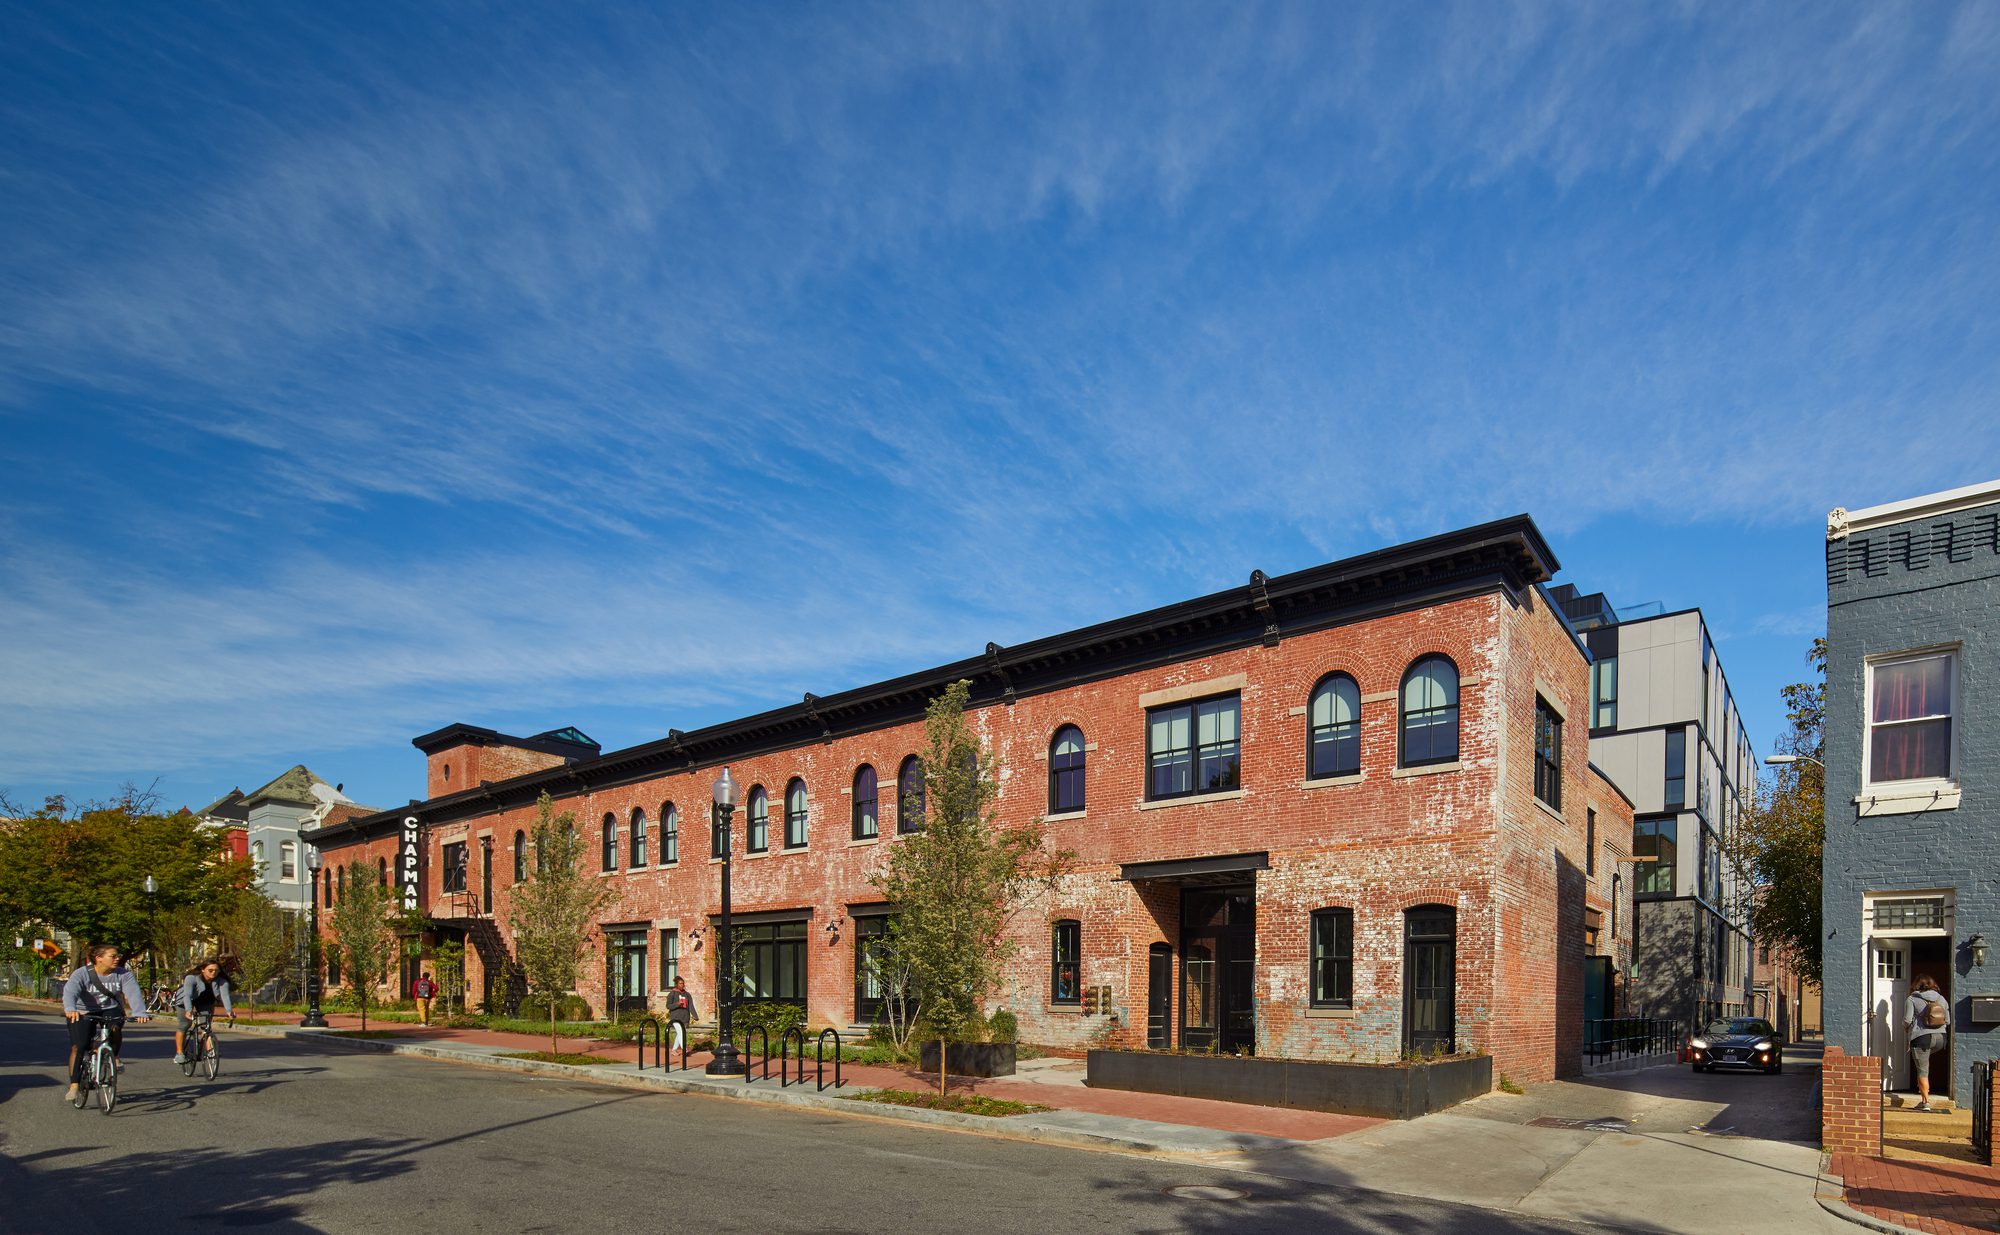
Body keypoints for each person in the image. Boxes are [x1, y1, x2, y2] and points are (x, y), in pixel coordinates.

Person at [61, 944, 151, 1104]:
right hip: (83, 1011)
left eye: (118, 955)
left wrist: (139, 1012)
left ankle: (113, 1055)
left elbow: (133, 992)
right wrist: (70, 1008)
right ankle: (74, 1085)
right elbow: (70, 991)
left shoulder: (123, 974)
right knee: (79, 1046)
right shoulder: (81, 974)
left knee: (115, 1028)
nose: (117, 958)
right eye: (113, 956)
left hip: (110, 1009)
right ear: (99, 958)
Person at [174, 958, 235, 1064]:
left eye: (216, 970)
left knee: (205, 1027)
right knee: (185, 1024)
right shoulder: (191, 978)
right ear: (203, 969)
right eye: (210, 970)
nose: (214, 973)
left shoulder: (222, 981)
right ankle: (179, 1053)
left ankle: (210, 1051)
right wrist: (189, 1010)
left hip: (205, 1002)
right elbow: (187, 996)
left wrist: (229, 1011)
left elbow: (225, 997)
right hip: (185, 1002)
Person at [1905, 975, 1950, 1112]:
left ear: (1916, 985)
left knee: (1922, 1070)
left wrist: (1907, 1029)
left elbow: (1907, 1020)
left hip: (1922, 1038)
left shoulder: (1912, 999)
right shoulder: (1941, 999)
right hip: (1941, 1038)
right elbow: (1947, 1021)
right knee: (1925, 1063)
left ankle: (1925, 1102)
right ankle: (1924, 1092)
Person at [664, 976, 696, 1054]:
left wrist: (695, 1015)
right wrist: (677, 1004)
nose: (682, 985)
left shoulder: (687, 994)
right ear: (676, 984)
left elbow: (691, 1005)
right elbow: (668, 1006)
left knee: (680, 1033)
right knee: (681, 1032)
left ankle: (674, 1050)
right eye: (680, 983)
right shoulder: (672, 994)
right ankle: (684, 1048)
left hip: (685, 1017)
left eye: (683, 983)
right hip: (675, 1017)